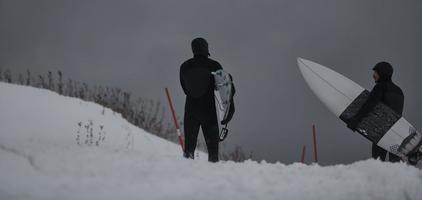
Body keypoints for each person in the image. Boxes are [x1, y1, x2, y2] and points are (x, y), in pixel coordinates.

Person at [347, 61, 404, 162]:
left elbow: (369, 105)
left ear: (382, 73)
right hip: (396, 134)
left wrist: (356, 120)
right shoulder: (399, 91)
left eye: (376, 73)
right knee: (396, 165)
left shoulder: (381, 87)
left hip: (381, 132)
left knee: (378, 162)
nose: (373, 75)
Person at [179, 37, 223, 162]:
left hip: (191, 110)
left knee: (189, 151)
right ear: (206, 48)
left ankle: (184, 177)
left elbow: (184, 88)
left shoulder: (184, 66)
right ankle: (214, 178)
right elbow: (223, 87)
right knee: (213, 152)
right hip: (208, 110)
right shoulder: (214, 65)